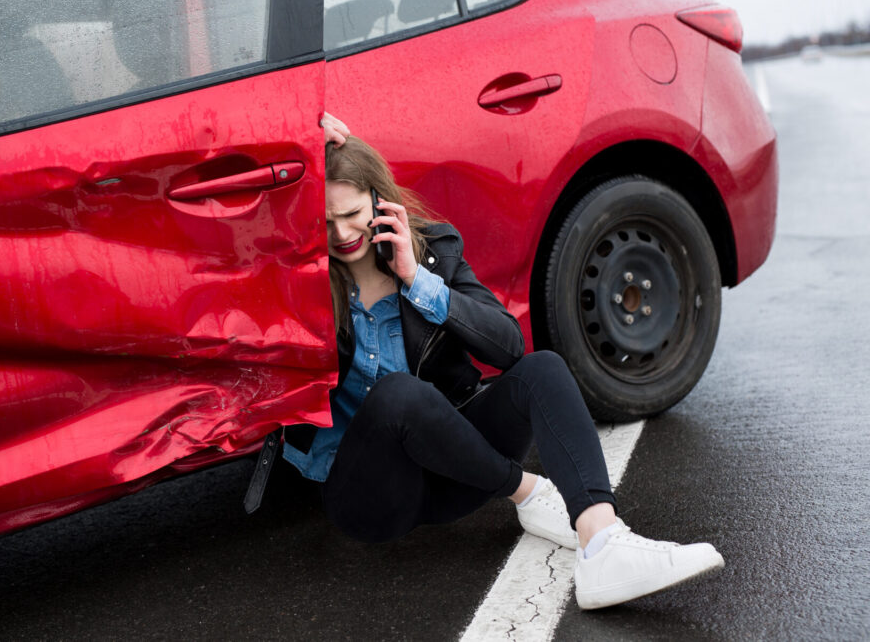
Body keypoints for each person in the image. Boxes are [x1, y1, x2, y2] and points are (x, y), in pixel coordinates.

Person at [284, 113, 724, 610]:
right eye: (325, 222)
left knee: (544, 369)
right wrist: (295, 136)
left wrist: (416, 281)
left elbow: (508, 346)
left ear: (380, 201)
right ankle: (530, 492)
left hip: (456, 474)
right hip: (370, 498)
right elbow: (218, 203)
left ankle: (603, 545)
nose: (342, 233)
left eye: (352, 213)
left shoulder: (434, 253)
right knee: (398, 396)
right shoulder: (299, 278)